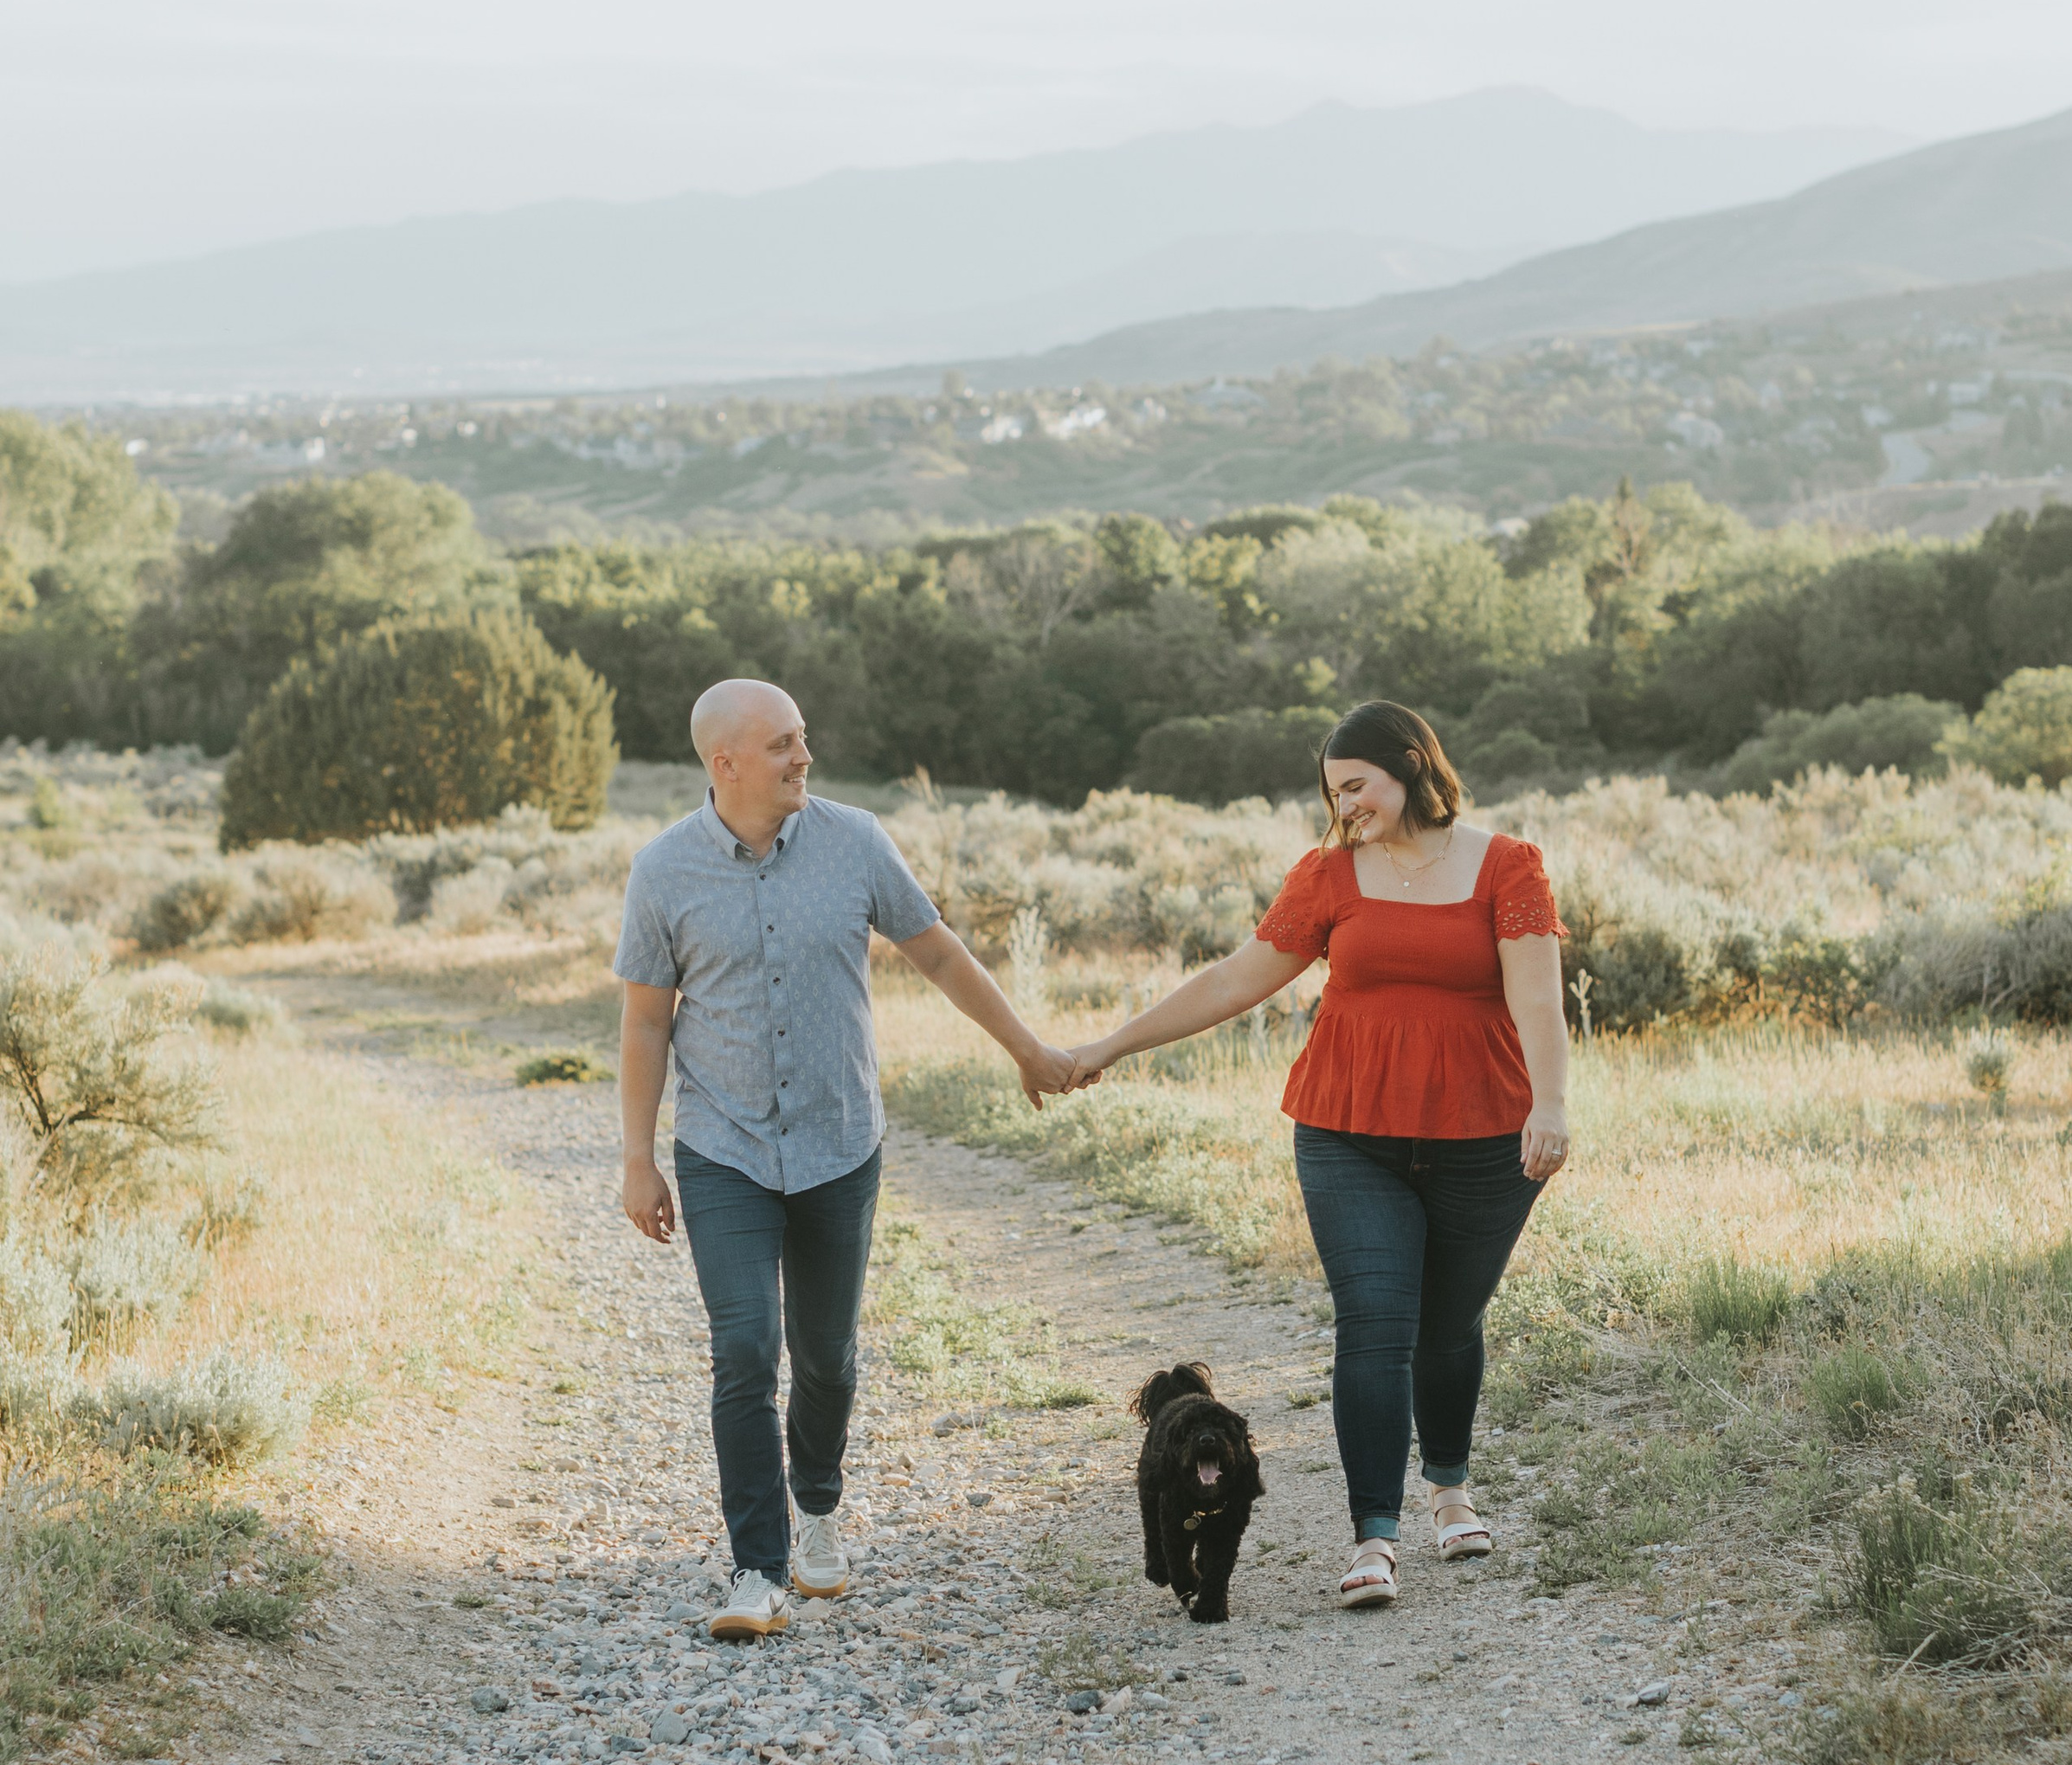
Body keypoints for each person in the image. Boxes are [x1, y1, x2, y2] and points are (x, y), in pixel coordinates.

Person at [1063, 699, 1570, 1609]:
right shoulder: (1329, 874)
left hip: (1484, 1135)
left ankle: (1449, 1488)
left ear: (1411, 765)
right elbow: (1233, 979)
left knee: (1447, 1326)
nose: (1344, 808)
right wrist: (1108, 1045)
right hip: (1346, 1132)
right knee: (1375, 1325)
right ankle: (1374, 1538)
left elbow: (1536, 999)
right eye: (1333, 794)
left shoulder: (1507, 866)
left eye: (1356, 787)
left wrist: (1551, 1103)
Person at [614, 678, 1072, 1639]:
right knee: (744, 1350)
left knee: (824, 1354)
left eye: (803, 738)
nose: (803, 758)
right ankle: (756, 1568)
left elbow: (939, 955)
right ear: (724, 762)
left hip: (837, 1141)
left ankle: (816, 1507)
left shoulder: (857, 841)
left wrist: (1025, 1046)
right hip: (723, 1146)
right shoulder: (662, 871)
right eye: (782, 744)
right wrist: (637, 1158)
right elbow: (648, 1022)